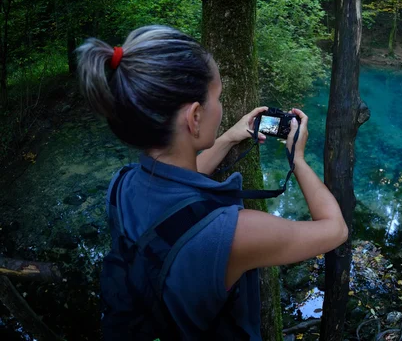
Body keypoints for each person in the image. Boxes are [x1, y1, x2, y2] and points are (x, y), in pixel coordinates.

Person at [76, 25, 348, 340]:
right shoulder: (232, 234)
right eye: (217, 97)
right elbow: (335, 229)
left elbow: (178, 201)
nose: (219, 107)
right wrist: (297, 159)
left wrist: (229, 137)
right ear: (194, 117)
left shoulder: (121, 185)